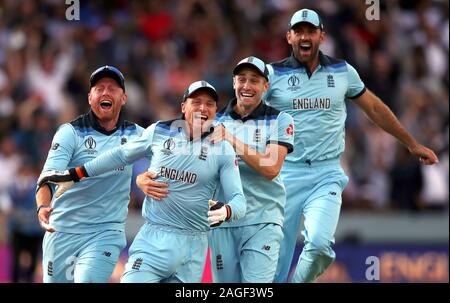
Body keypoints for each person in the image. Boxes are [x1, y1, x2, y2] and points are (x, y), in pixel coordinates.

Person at [264, 9, 439, 283]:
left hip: (326, 174)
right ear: (289, 37)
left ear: (321, 36)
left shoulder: (342, 71)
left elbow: (375, 109)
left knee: (320, 245)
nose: (305, 37)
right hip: (285, 174)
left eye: (311, 31)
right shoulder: (272, 74)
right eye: (299, 31)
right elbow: (244, 111)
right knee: (274, 264)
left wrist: (411, 143)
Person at [38, 80, 247, 283]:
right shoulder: (159, 132)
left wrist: (227, 211)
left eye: (209, 104)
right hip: (154, 237)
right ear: (184, 107)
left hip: (194, 246)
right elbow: (120, 155)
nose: (203, 108)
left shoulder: (223, 149)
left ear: (215, 110)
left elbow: (239, 201)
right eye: (196, 102)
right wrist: (77, 174)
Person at [138, 57, 294, 283]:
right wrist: (143, 178)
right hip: (220, 222)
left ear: (265, 86)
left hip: (262, 220)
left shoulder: (280, 119)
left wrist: (231, 139)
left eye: (254, 80)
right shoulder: (213, 119)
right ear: (233, 83)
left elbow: (271, 168)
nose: (247, 86)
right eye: (242, 79)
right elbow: (180, 164)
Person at [35, 65, 144, 283]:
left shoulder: (138, 135)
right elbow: (47, 178)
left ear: (123, 98)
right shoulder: (70, 133)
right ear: (89, 98)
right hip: (62, 229)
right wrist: (42, 206)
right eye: (99, 88)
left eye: (112, 88)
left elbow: (169, 158)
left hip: (105, 232)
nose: (105, 92)